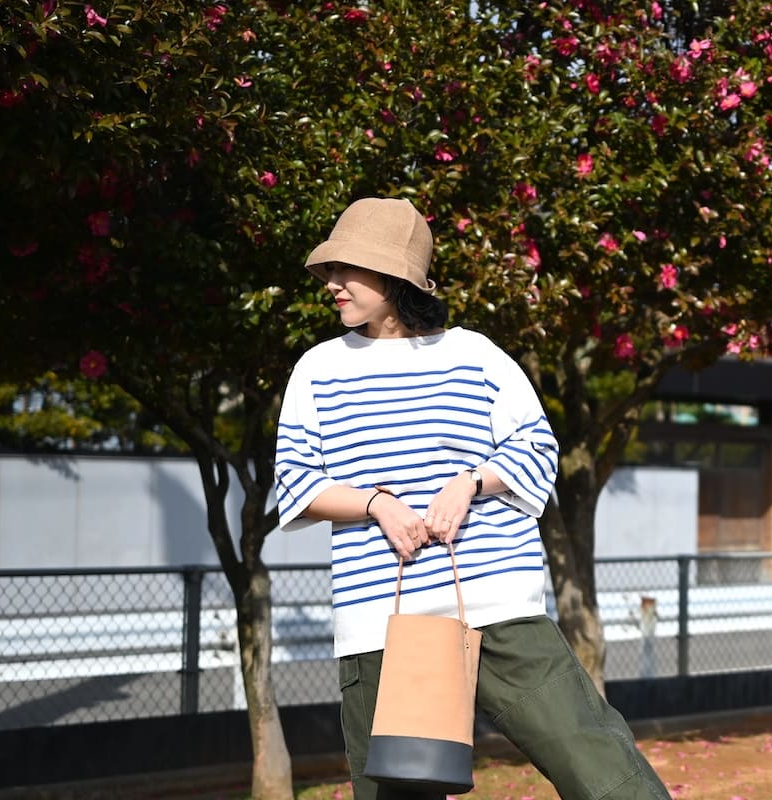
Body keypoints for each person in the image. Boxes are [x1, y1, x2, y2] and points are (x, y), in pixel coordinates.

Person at [275, 197, 672, 800]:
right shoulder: (318, 369)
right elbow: (296, 482)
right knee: (396, 794)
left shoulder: (475, 355)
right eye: (329, 269)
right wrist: (377, 504)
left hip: (494, 603)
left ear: (393, 273)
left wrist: (470, 482)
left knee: (599, 767)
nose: (332, 283)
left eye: (347, 268)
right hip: (381, 621)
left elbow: (537, 446)